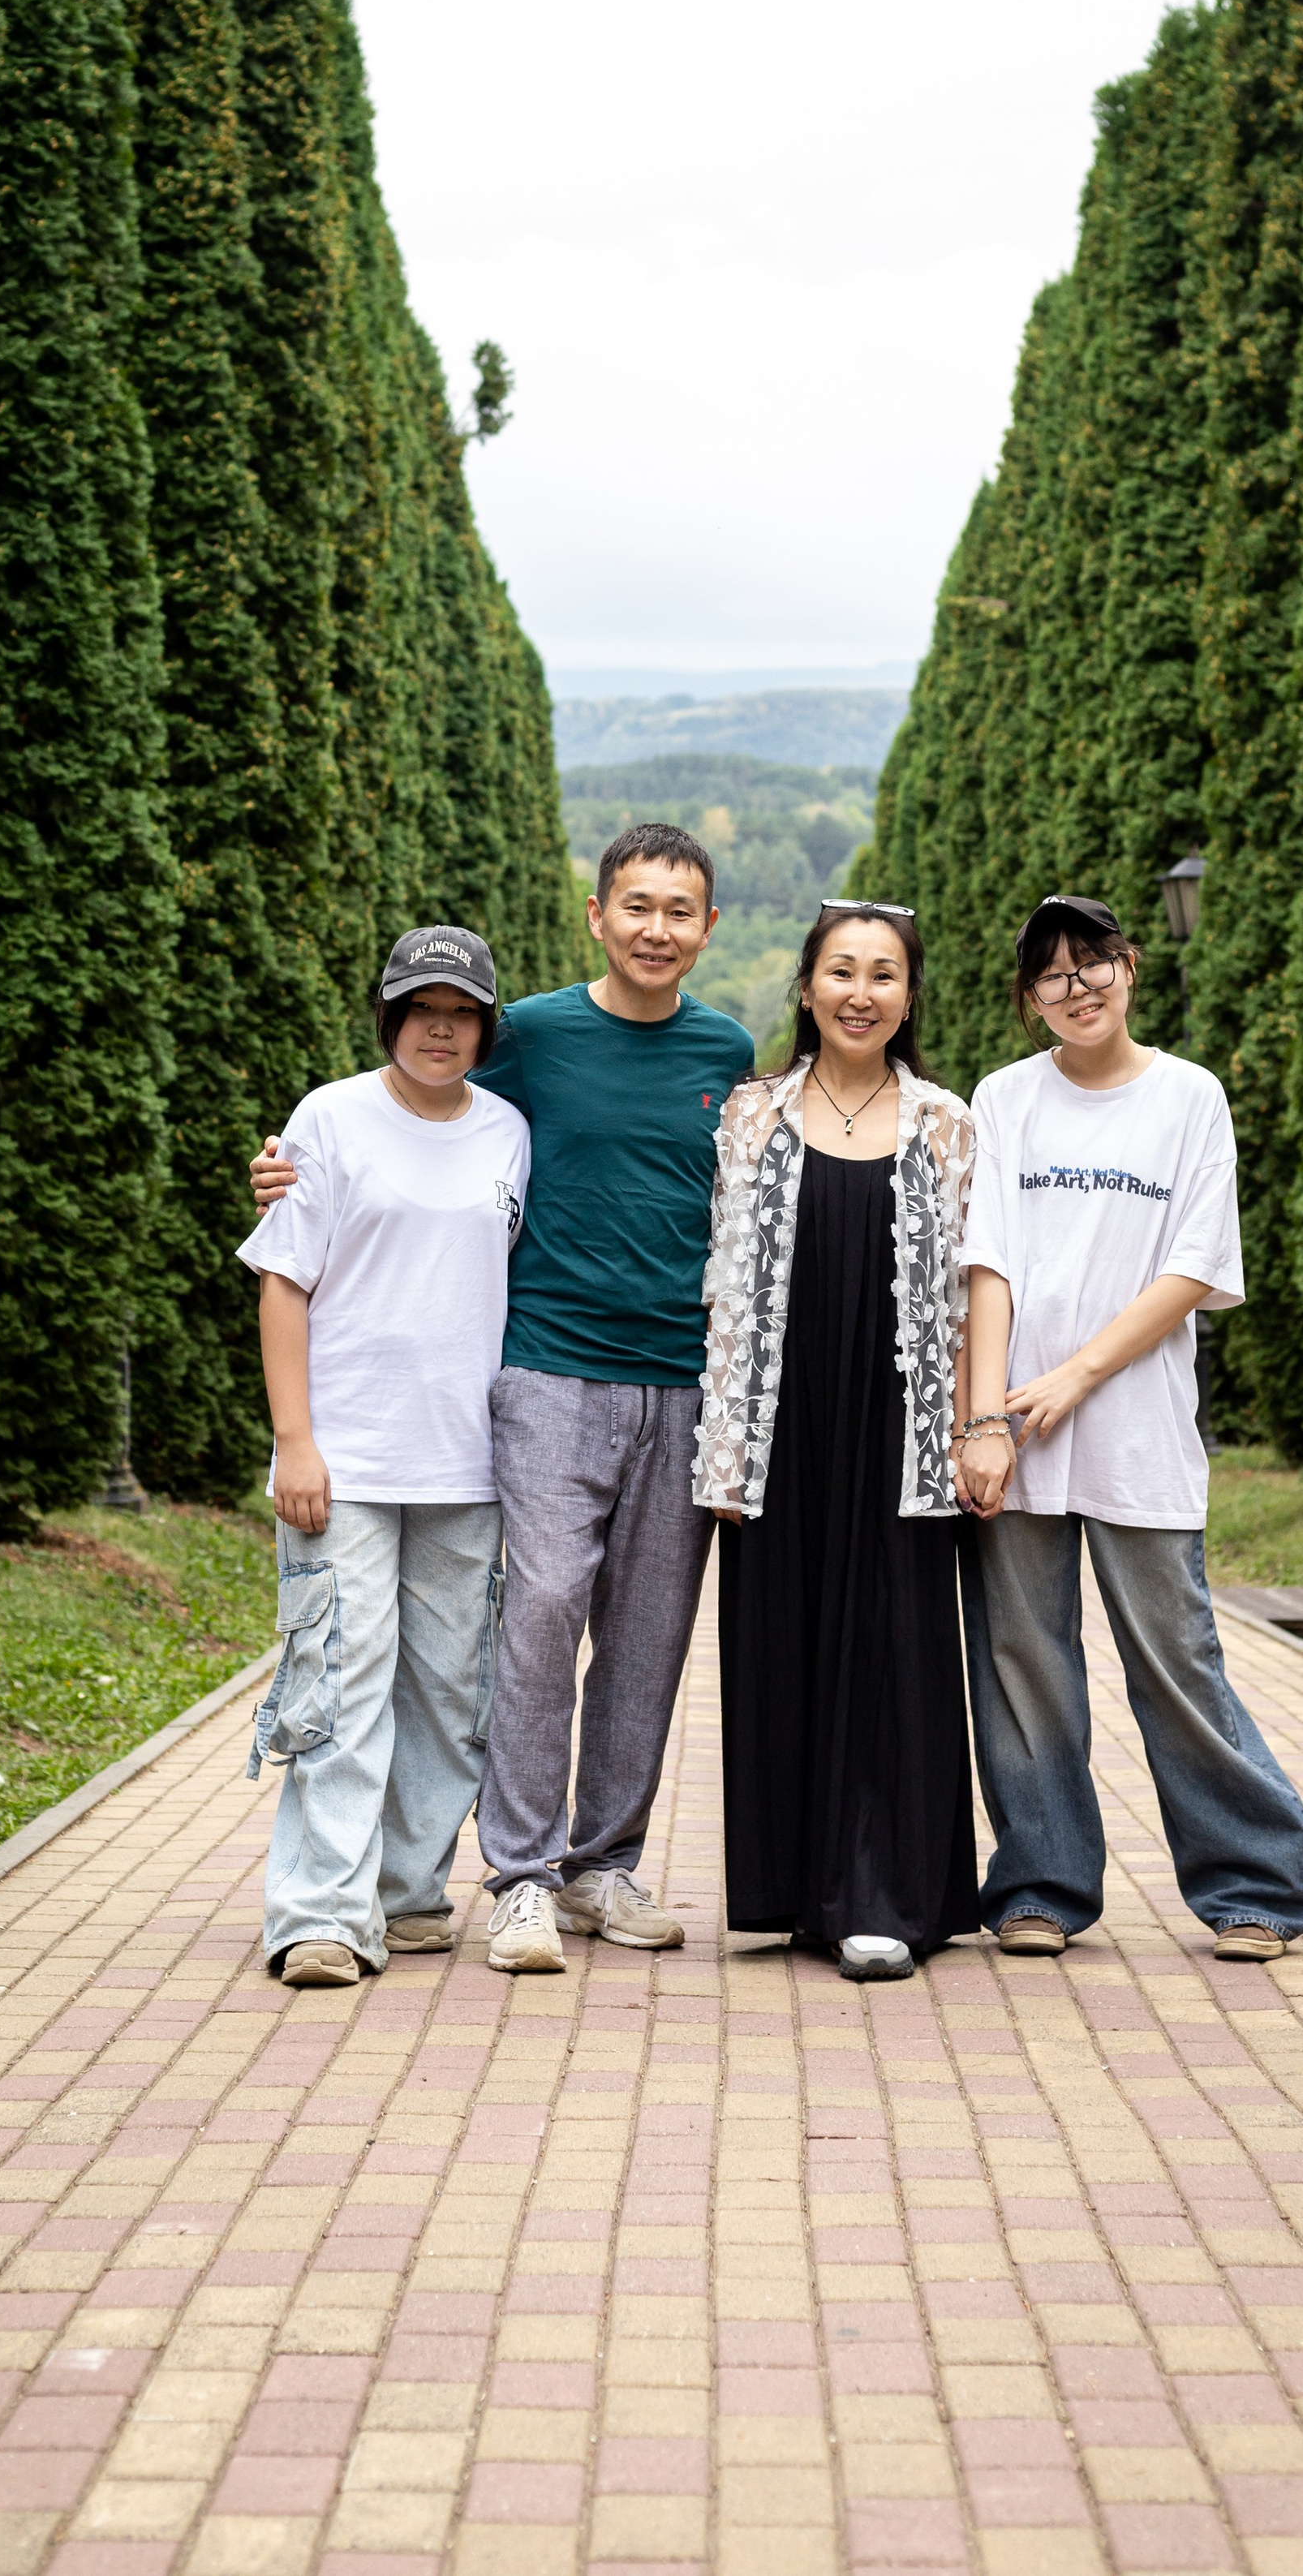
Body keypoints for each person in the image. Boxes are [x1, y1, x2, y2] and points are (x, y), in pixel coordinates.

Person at [253, 825, 755, 1976]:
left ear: (709, 928)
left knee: (633, 1645)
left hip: (677, 1386)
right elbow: (388, 1126)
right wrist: (284, 1170)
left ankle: (594, 1872)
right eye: (637, 905)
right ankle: (508, 1879)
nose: (657, 928)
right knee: (529, 1633)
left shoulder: (725, 1052)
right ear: (597, 913)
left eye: (681, 910)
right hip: (544, 1378)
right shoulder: (527, 1036)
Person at [957, 892, 1303, 1963]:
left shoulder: (1187, 1099)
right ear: (1030, 1002)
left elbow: (1196, 1268)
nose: (1077, 987)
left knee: (1175, 1658)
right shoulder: (1006, 1099)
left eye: (1094, 963)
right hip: (1016, 1432)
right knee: (1025, 1665)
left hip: (1139, 1428)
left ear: (1130, 969)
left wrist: (1075, 1375)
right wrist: (985, 1418)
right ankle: (1041, 1881)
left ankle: (1257, 1882)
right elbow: (992, 1264)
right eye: (1051, 975)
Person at [238, 926, 530, 1988]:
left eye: (460, 1013)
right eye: (421, 1009)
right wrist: (295, 1442)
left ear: (485, 1028)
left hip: (468, 1464)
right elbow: (284, 1282)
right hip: (345, 1461)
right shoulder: (329, 1118)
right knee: (341, 1682)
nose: (440, 1028)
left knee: (452, 1693)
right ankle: (317, 1915)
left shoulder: (509, 1132)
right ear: (390, 1017)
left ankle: (407, 1895)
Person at [697, 901, 980, 1981]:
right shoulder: (751, 1115)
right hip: (780, 1427)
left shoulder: (949, 1123)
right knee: (786, 1640)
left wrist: (968, 1431)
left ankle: (887, 1895)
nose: (861, 992)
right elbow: (723, 1288)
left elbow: (968, 1293)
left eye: (885, 974)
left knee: (897, 1652)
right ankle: (801, 1891)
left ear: (909, 997)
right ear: (808, 988)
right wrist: (724, 1449)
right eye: (841, 971)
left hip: (903, 1429)